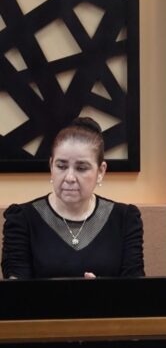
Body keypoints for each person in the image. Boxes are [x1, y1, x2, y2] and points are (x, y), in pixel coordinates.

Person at [2, 118, 145, 279]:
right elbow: (15, 289)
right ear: (51, 166)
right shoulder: (22, 219)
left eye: (81, 168)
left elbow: (135, 288)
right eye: (61, 166)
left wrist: (103, 291)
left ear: (101, 171)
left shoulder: (125, 219)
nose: (69, 177)